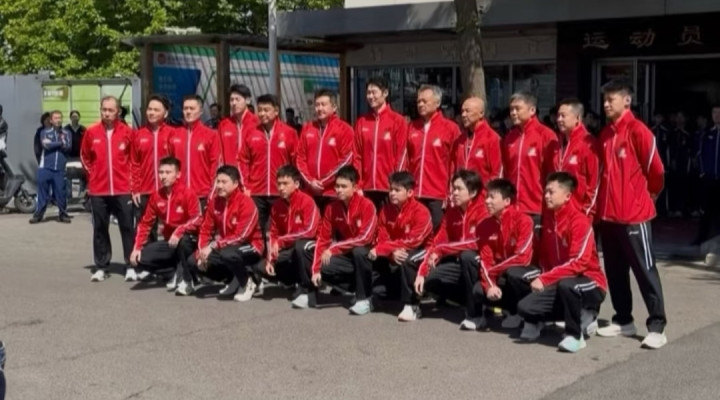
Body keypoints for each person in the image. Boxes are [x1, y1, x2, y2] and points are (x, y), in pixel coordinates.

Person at [595, 80, 667, 349]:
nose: (605, 104)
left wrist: (651, 195)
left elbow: (656, 170)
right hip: (609, 217)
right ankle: (623, 319)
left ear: (627, 100)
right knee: (615, 272)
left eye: (611, 99)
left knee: (645, 271)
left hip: (634, 216)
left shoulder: (639, 131)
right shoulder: (605, 134)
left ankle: (657, 325)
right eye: (604, 99)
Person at [515, 172, 607, 352]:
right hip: (560, 281)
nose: (546, 196)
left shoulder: (579, 221)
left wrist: (545, 279)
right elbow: (545, 258)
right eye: (545, 192)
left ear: (567, 196)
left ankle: (575, 335)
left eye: (551, 192)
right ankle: (578, 315)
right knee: (524, 307)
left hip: (590, 282)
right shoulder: (549, 220)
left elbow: (579, 263)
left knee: (568, 285)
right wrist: (543, 277)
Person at [294, 166, 377, 313]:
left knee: (359, 251)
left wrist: (333, 249)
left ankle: (364, 298)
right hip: (346, 256)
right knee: (310, 255)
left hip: (369, 256)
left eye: (344, 186)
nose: (339, 190)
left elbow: (365, 238)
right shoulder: (331, 208)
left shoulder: (367, 205)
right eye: (337, 186)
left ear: (355, 187)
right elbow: (323, 239)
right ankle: (311, 292)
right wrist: (316, 269)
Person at [413, 169, 489, 323]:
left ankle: (477, 314)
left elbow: (476, 242)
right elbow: (437, 243)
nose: (454, 193)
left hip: (481, 264)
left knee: (467, 255)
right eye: (453, 188)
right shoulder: (451, 213)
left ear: (473, 192)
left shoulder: (484, 211)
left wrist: (443, 250)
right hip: (458, 263)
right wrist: (422, 272)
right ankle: (465, 301)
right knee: (431, 281)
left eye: (459, 189)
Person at [186, 165, 264, 302]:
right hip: (225, 246)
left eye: (224, 182)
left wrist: (214, 245)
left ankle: (248, 282)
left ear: (235, 183)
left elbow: (242, 236)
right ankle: (232, 279)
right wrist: (202, 250)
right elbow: (205, 229)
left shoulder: (246, 203)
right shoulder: (215, 202)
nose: (219, 186)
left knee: (228, 254)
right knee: (193, 261)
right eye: (218, 181)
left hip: (251, 247)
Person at [81, 96, 136, 282]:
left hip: (123, 189)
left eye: (111, 110)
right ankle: (101, 266)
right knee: (100, 229)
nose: (107, 113)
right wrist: (93, 176)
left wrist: (131, 183)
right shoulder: (91, 132)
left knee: (127, 227)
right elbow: (85, 157)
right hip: (99, 190)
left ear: (118, 111)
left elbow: (134, 160)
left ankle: (131, 265)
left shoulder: (128, 132)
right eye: (104, 109)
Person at [129, 157, 201, 295]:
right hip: (169, 242)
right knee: (138, 259)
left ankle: (187, 279)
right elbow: (145, 223)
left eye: (168, 172)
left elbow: (198, 219)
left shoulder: (188, 193)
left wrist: (180, 230)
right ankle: (174, 271)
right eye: (161, 172)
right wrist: (137, 247)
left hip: (188, 240)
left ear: (178, 174)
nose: (163, 176)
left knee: (183, 241)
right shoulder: (156, 196)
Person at [368, 171, 433, 320]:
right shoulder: (386, 210)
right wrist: (390, 252)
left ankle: (412, 305)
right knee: (378, 287)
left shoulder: (421, 212)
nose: (392, 193)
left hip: (422, 251)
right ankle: (370, 296)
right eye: (391, 189)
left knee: (406, 257)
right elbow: (381, 237)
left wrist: (385, 249)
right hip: (395, 252)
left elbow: (414, 241)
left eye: (397, 190)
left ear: (410, 192)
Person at [472, 178, 535, 331]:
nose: (487, 201)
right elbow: (486, 259)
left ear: (507, 201)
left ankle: (530, 315)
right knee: (479, 290)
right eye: (486, 197)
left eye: (492, 197)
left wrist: (494, 271)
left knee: (514, 273)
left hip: (529, 270)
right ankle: (511, 310)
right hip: (503, 271)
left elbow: (522, 257)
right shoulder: (485, 225)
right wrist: (490, 285)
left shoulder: (524, 221)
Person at [238, 94, 298, 244]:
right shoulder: (251, 133)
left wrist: (293, 186)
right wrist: (246, 186)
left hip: (281, 191)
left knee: (280, 230)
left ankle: (278, 257)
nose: (262, 113)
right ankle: (259, 257)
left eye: (266, 110)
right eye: (260, 110)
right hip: (256, 192)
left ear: (276, 111)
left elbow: (296, 162)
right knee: (257, 231)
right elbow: (242, 160)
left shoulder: (289, 133)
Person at [407, 84, 460, 231]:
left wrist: (451, 191)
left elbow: (456, 162)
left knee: (437, 232)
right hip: (415, 193)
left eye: (425, 101)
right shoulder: (412, 127)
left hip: (438, 194)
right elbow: (407, 160)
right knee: (416, 232)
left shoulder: (450, 128)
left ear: (437, 103)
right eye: (418, 101)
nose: (420, 104)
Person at [502, 91, 558, 233]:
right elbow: (506, 171)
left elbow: (553, 173)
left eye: (518, 109)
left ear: (532, 110)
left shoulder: (546, 135)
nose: (513, 113)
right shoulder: (509, 138)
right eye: (511, 109)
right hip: (513, 207)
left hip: (536, 207)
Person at [262, 165, 320, 296]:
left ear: (297, 184)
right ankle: (290, 281)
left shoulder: (307, 201)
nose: (281, 188)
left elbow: (309, 231)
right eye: (279, 184)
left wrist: (281, 241)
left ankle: (307, 288)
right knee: (261, 267)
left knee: (300, 247)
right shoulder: (277, 206)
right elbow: (273, 233)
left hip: (309, 246)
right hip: (288, 247)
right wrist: (270, 259)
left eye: (285, 183)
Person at [353, 76, 408, 210]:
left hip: (388, 188)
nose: (370, 96)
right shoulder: (362, 122)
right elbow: (357, 156)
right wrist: (358, 185)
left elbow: (401, 155)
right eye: (368, 93)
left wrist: (396, 185)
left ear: (385, 93)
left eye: (374, 92)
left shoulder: (398, 121)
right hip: (366, 188)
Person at [296, 89, 354, 211]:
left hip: (333, 192)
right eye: (317, 105)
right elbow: (300, 157)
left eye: (323, 104)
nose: (319, 108)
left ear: (334, 107)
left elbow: (346, 160)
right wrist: (310, 181)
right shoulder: (307, 128)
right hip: (310, 192)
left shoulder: (344, 129)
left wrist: (324, 182)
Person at [544, 98, 600, 218]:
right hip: (556, 213)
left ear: (577, 118)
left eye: (563, 116)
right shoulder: (556, 144)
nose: (559, 120)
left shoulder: (588, 144)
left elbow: (594, 183)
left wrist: (586, 213)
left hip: (578, 213)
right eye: (558, 116)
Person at [131, 95, 173, 240]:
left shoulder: (173, 134)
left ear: (165, 113)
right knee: (146, 231)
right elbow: (134, 163)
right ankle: (147, 253)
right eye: (149, 109)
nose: (152, 113)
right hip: (145, 191)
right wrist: (135, 189)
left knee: (171, 229)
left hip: (168, 191)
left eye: (156, 110)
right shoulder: (138, 135)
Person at [167, 95, 221, 207]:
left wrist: (213, 191)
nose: (188, 112)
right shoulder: (175, 134)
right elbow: (169, 164)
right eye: (185, 108)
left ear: (200, 111)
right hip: (179, 194)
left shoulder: (211, 135)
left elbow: (215, 165)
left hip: (202, 194)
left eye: (192, 108)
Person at [451, 96, 503, 198]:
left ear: (481, 113)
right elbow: (453, 168)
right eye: (462, 111)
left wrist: (486, 194)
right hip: (460, 197)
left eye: (468, 111)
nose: (463, 115)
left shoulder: (492, 138)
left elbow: (496, 172)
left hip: (481, 197)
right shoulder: (460, 139)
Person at [30, 110, 72, 224]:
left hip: (60, 168)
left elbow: (68, 147)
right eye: (55, 118)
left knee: (61, 192)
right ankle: (38, 215)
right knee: (42, 192)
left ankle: (63, 214)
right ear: (51, 120)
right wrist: (60, 143)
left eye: (60, 118)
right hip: (45, 167)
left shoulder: (67, 133)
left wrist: (54, 143)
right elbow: (46, 146)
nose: (58, 120)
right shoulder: (44, 132)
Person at [695, 106, 720, 244]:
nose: (717, 115)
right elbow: (700, 154)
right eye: (714, 113)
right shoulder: (707, 134)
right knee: (706, 210)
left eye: (719, 113)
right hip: (709, 178)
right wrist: (703, 172)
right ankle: (701, 238)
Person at [217, 84, 258, 167]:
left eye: (237, 99)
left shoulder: (257, 123)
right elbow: (219, 152)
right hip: (230, 172)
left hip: (250, 173)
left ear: (247, 100)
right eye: (231, 100)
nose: (234, 103)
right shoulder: (224, 124)